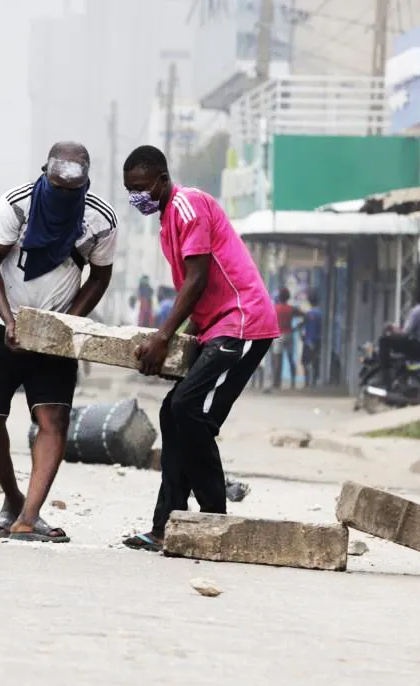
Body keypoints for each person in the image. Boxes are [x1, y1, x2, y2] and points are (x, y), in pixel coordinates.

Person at [121, 144, 278, 552]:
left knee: (189, 410)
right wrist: (182, 340)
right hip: (219, 328)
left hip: (243, 323)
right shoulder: (168, 219)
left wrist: (163, 336)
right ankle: (166, 525)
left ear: (160, 179)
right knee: (174, 414)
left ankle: (211, 521)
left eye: (140, 187)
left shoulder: (187, 206)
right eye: (129, 190)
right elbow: (198, 294)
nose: (136, 196)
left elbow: (197, 282)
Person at [0, 141, 117, 543]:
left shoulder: (99, 220)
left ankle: (28, 516)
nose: (65, 196)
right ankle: (13, 498)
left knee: (52, 420)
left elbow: (100, 277)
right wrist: (8, 319)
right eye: (57, 188)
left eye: (74, 190)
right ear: (44, 175)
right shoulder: (16, 205)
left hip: (53, 333)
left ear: (86, 183)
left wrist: (67, 322)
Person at [377, 288, 420, 389]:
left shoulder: (416, 312)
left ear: (414, 300)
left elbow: (405, 333)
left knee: (384, 341)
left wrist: (392, 330)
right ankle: (400, 374)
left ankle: (385, 376)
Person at [271, 287, 305, 390]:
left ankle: (276, 383)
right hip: (289, 334)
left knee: (277, 360)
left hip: (278, 335)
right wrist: (297, 327)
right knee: (291, 359)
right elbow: (305, 316)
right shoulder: (291, 309)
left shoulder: (274, 308)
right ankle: (293, 382)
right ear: (288, 297)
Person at [301, 290, 324, 387]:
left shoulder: (308, 314)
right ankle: (314, 380)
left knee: (305, 361)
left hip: (308, 340)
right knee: (315, 360)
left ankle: (307, 381)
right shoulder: (321, 313)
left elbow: (303, 326)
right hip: (317, 340)